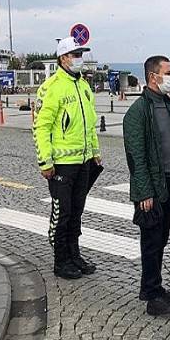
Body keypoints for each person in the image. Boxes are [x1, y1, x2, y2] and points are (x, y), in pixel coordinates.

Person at [123, 55, 170, 316]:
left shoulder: (166, 104)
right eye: (168, 72)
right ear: (153, 76)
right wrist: (144, 192)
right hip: (151, 187)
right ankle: (151, 295)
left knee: (161, 238)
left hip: (169, 181)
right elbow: (136, 157)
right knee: (151, 240)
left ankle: (155, 286)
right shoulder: (138, 112)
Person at [33, 37, 101, 279]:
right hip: (61, 164)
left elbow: (90, 124)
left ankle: (74, 255)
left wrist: (95, 152)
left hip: (83, 161)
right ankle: (61, 262)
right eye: (76, 54)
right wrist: (45, 161)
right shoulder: (51, 87)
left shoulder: (83, 85)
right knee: (62, 214)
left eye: (81, 54)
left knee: (77, 212)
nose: (79, 59)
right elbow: (41, 126)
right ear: (63, 58)